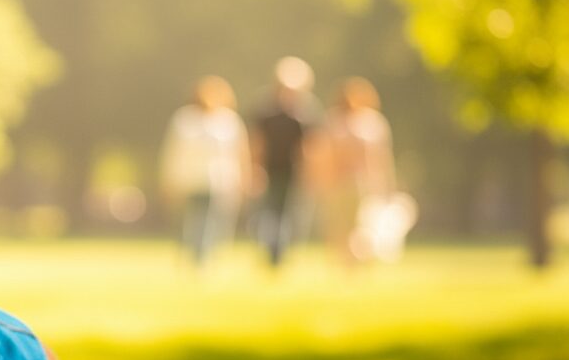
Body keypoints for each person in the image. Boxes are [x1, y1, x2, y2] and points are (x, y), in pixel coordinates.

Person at [158, 75, 252, 265]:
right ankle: (194, 254)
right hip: (190, 181)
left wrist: (244, 178)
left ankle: (204, 255)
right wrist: (168, 179)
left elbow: (241, 152)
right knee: (193, 220)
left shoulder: (229, 121)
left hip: (220, 182)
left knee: (212, 220)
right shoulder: (184, 119)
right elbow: (173, 152)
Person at [311, 77, 401, 264]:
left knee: (358, 224)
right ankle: (344, 261)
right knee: (338, 224)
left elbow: (380, 158)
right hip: (338, 182)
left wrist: (385, 185)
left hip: (361, 183)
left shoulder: (370, 122)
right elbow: (322, 154)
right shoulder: (334, 121)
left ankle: (354, 260)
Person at [250, 56, 320, 267]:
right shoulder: (265, 110)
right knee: (270, 213)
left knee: (290, 214)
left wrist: (311, 172)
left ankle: (279, 252)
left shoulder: (306, 112)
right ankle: (272, 251)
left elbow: (310, 147)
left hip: (295, 172)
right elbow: (257, 142)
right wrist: (255, 168)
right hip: (270, 170)